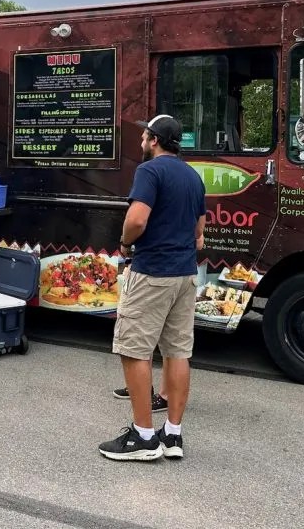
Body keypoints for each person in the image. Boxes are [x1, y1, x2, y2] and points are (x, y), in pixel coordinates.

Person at [98, 114, 205, 462]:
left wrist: (125, 243)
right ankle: (172, 434)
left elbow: (137, 219)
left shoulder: (149, 171)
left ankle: (144, 437)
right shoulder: (192, 176)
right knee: (177, 352)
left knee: (134, 350)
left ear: (154, 139)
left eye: (145, 136)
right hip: (185, 274)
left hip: (153, 272)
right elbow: (199, 230)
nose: (142, 142)